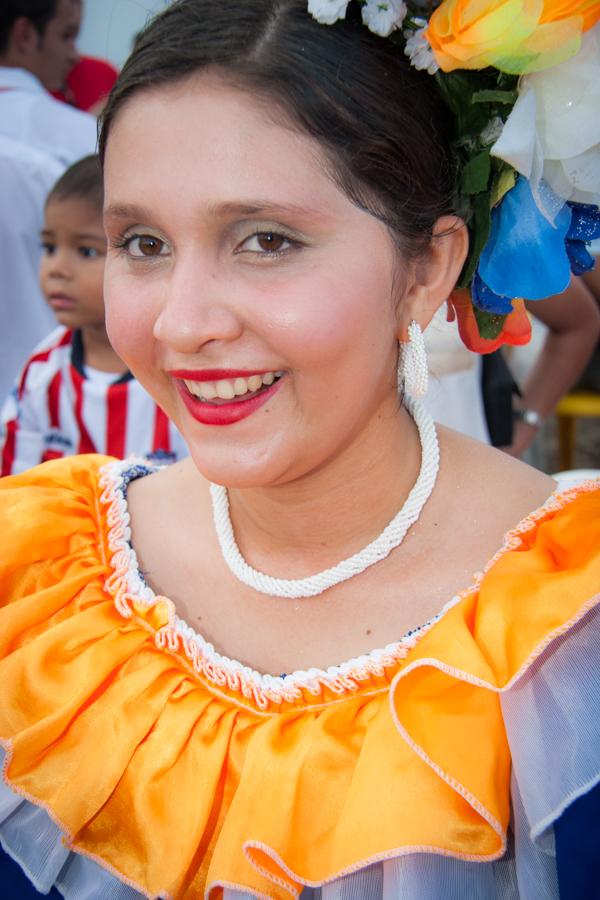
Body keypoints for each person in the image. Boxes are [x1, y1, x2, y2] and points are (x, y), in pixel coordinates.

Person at [0, 2, 598, 898]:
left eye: (267, 241)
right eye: (143, 243)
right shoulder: (34, 573)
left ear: (428, 267)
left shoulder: (569, 624)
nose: (182, 323)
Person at [0, 155, 188, 474]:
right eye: (49, 248)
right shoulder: (43, 372)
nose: (57, 269)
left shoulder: (179, 371)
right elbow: (15, 483)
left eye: (86, 251)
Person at [0, 0, 98, 405]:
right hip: (59, 395)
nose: (75, 54)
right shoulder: (83, 139)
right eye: (66, 34)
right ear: (25, 35)